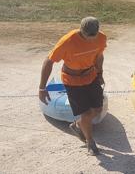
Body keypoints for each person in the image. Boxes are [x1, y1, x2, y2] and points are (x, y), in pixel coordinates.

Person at [38, 16, 107, 156]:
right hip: (72, 80)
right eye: (88, 37)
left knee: (98, 109)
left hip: (91, 76)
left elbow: (99, 56)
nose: (91, 40)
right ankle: (90, 142)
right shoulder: (67, 41)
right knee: (86, 113)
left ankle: (77, 124)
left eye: (94, 36)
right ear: (81, 30)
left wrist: (100, 73)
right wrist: (42, 88)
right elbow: (48, 61)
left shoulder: (101, 38)